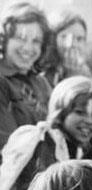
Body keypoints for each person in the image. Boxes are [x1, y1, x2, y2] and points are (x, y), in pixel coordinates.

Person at [0, 2, 52, 151]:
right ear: (4, 40)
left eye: (36, 41)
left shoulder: (41, 82)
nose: (28, 48)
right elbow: (9, 147)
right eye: (21, 38)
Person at [41, 10, 91, 87]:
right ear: (54, 39)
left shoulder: (85, 73)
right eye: (66, 37)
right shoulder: (43, 71)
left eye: (79, 39)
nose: (73, 44)